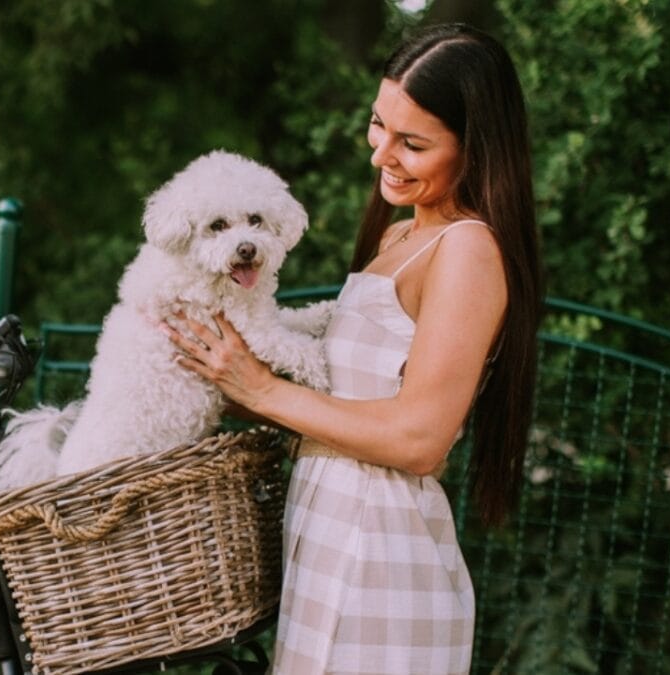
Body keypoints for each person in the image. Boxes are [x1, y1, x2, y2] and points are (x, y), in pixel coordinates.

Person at [163, 22, 542, 675]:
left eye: (412, 143)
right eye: (378, 126)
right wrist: (214, 379)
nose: (381, 154)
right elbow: (345, 412)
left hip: (382, 558)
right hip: (328, 537)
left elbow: (419, 438)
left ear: (475, 148)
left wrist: (261, 387)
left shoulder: (469, 250)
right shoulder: (399, 234)